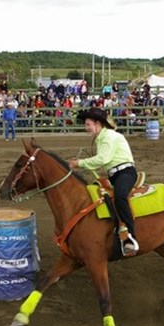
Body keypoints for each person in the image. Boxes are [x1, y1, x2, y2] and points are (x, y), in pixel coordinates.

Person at [69, 107, 139, 256]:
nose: (86, 128)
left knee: (120, 196)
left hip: (125, 173)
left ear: (97, 123)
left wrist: (80, 163)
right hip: (115, 174)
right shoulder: (102, 138)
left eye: (88, 124)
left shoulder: (109, 137)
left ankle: (130, 236)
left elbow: (103, 159)